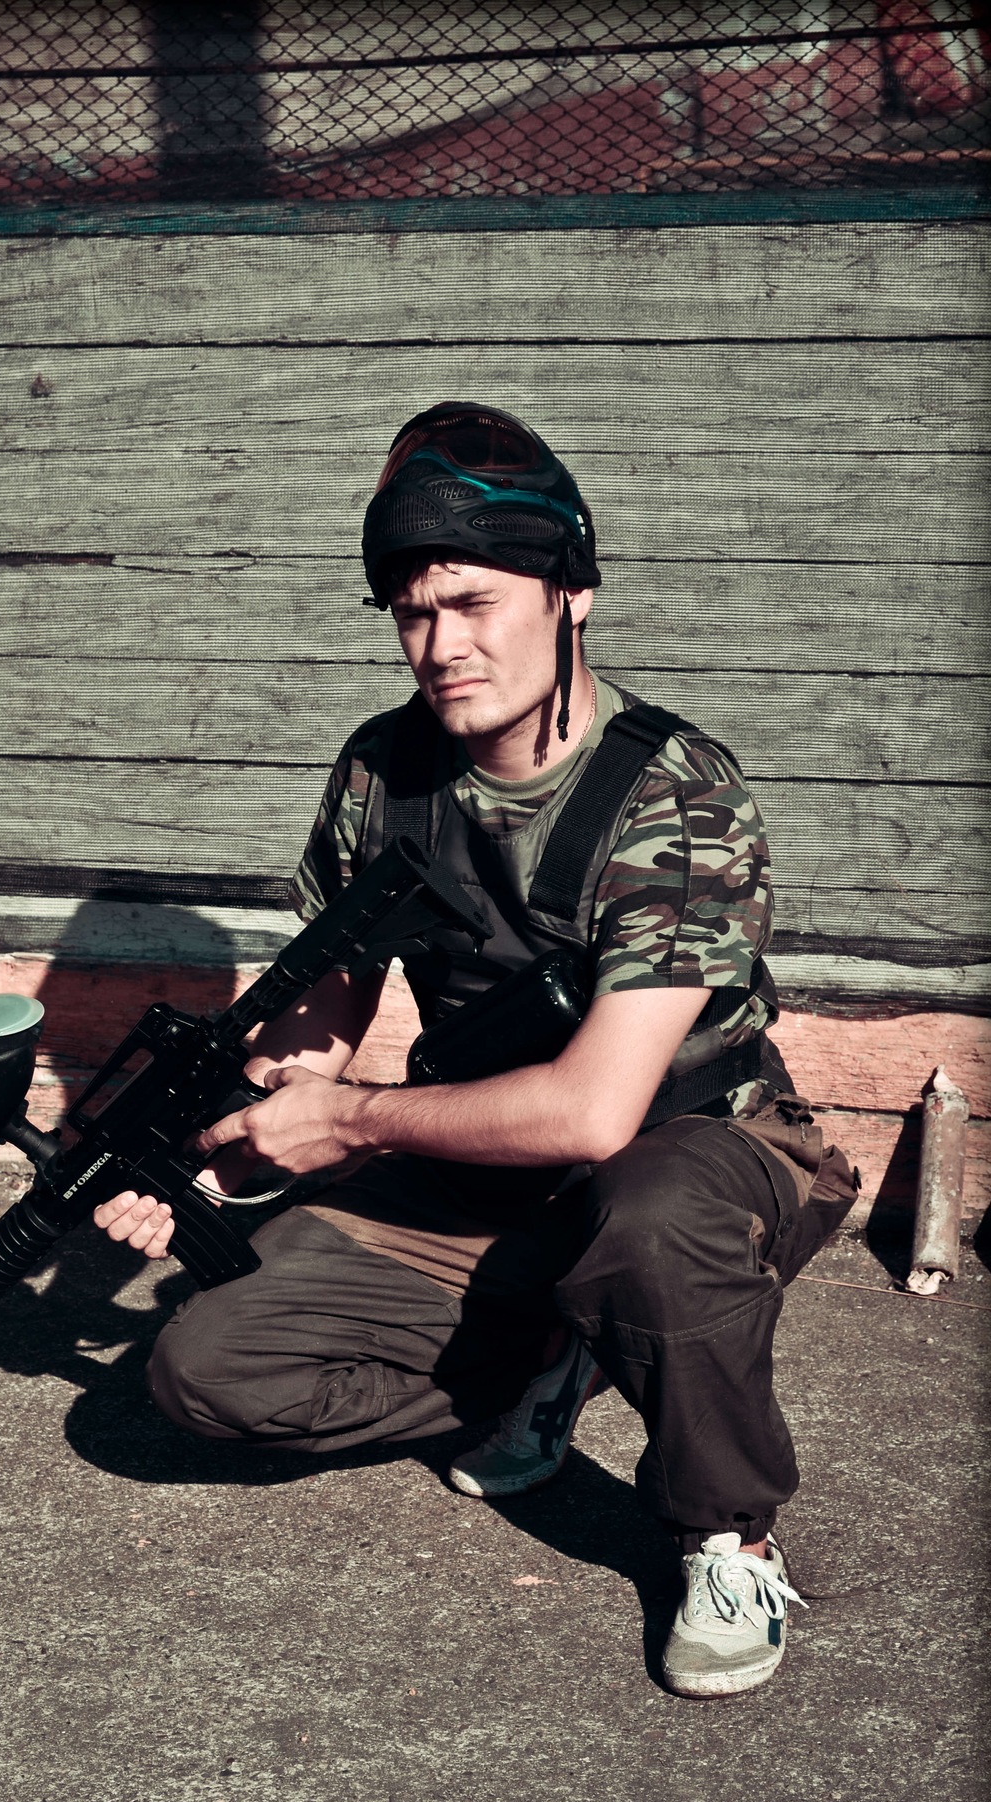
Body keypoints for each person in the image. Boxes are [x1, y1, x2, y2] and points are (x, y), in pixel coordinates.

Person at [93, 402, 859, 1699]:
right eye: (412, 613)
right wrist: (218, 1159)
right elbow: (322, 1017)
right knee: (203, 1368)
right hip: (483, 1177)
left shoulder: (676, 795)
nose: (442, 646)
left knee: (651, 1218)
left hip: (698, 1153)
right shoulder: (382, 775)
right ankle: (551, 1355)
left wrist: (349, 1121)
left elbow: (597, 1111)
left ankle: (726, 1531)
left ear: (572, 593)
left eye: (474, 603)